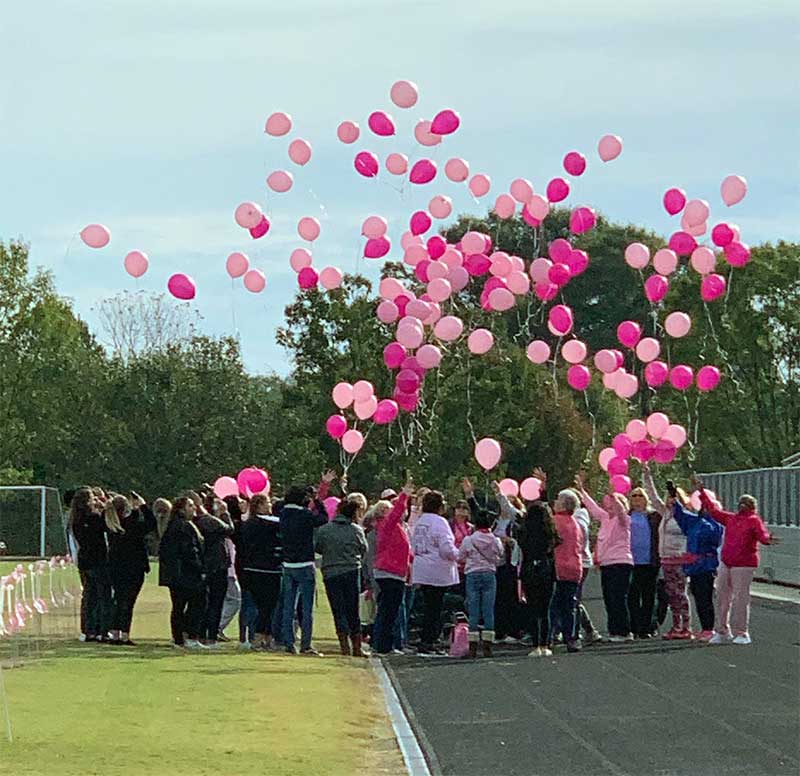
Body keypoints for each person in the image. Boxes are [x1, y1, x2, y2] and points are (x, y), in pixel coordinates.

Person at [695, 479, 778, 645]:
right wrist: (702, 492)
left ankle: (742, 631)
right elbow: (713, 510)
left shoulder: (754, 520)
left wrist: (769, 540)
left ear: (752, 506)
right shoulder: (731, 519)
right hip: (727, 561)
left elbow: (762, 536)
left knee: (741, 598)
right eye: (741, 502)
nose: (742, 505)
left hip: (744, 563)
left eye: (746, 503)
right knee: (722, 597)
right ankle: (722, 630)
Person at [279, 471, 334, 655]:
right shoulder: (304, 515)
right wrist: (318, 500)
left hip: (288, 564)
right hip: (304, 563)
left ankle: (288, 642)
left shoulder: (284, 513)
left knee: (289, 606)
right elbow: (323, 518)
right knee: (307, 607)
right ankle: (306, 644)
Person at [575, 474, 633, 642]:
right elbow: (593, 508)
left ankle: (624, 631)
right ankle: (614, 630)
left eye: (612, 505)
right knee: (609, 597)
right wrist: (582, 491)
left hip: (621, 562)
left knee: (618, 597)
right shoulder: (605, 519)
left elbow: (621, 511)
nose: (609, 508)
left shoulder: (624, 520)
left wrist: (614, 495)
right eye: (607, 505)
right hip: (607, 563)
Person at [642, 465, 691, 639]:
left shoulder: (685, 517)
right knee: (671, 594)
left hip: (679, 558)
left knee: (680, 592)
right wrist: (646, 476)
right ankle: (676, 625)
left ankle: (686, 626)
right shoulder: (665, 514)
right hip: (666, 559)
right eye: (669, 498)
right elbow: (654, 499)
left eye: (674, 498)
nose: (670, 501)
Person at [315, 500, 369, 656]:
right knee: (352, 609)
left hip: (331, 572)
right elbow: (363, 548)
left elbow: (318, 547)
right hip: (351, 570)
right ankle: (357, 647)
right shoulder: (356, 530)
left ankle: (344, 645)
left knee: (338, 609)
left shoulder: (325, 530)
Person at [410, 490, 459, 654]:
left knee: (428, 606)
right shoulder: (440, 522)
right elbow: (446, 548)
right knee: (435, 607)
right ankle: (430, 640)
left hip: (421, 567)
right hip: (437, 569)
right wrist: (458, 555)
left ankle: (426, 639)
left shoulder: (420, 521)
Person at [107, 492, 157, 645]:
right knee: (128, 602)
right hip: (134, 568)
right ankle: (124, 634)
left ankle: (114, 633)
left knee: (118, 599)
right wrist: (141, 506)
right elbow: (151, 524)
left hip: (116, 566)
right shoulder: (132, 524)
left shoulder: (110, 525)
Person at [670, 497, 723, 641]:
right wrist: (675, 500)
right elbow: (681, 515)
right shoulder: (695, 521)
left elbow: (713, 538)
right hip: (695, 566)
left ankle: (708, 628)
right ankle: (705, 627)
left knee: (705, 597)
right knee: (699, 597)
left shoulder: (714, 524)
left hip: (706, 565)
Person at [158, 497, 206, 649]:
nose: (194, 509)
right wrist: (201, 568)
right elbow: (190, 551)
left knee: (178, 606)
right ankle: (190, 637)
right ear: (181, 509)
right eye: (190, 506)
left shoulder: (172, 525)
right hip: (187, 574)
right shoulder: (184, 526)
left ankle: (179, 638)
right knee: (196, 604)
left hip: (175, 574)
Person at [238, 493, 283, 650]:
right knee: (268, 606)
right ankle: (259, 637)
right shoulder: (269, 524)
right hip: (268, 569)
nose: (270, 506)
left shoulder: (247, 524)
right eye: (267, 503)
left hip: (251, 569)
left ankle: (265, 636)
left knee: (261, 606)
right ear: (259, 506)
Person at [457, 509, 504, 657]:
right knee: (488, 610)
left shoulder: (469, 540)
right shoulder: (495, 540)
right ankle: (488, 645)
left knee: (473, 611)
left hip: (472, 574)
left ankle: (472, 646)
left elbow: (460, 556)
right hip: (489, 574)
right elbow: (501, 554)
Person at [372, 485, 412, 655]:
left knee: (388, 610)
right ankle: (383, 645)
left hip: (395, 571)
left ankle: (383, 643)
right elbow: (395, 514)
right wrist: (404, 497)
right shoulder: (386, 525)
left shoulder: (393, 528)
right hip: (390, 571)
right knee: (388, 611)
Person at [70, 487, 112, 642]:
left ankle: (88, 630)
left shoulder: (76, 519)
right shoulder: (94, 517)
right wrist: (105, 508)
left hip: (85, 561)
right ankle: (102, 630)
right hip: (98, 560)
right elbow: (107, 528)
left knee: (89, 597)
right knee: (103, 596)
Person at [517, 499, 558, 657]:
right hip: (546, 569)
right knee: (545, 610)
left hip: (529, 570)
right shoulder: (549, 532)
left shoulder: (524, 533)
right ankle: (545, 644)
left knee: (532, 609)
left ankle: (535, 645)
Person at [193, 496, 234, 647]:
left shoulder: (198, 521)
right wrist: (225, 514)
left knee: (206, 602)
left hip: (207, 565)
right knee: (215, 603)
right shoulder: (207, 521)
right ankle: (210, 636)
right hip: (216, 565)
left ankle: (202, 634)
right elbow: (228, 529)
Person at [550, 490, 584, 653]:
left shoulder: (554, 521)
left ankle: (549, 636)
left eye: (557, 500)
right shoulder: (575, 524)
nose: (554, 502)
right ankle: (570, 638)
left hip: (557, 567)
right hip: (574, 567)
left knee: (553, 604)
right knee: (570, 605)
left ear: (563, 504)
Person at [626, 487, 662, 638]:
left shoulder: (653, 516)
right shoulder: (626, 515)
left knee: (649, 596)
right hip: (630, 561)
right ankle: (634, 626)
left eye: (640, 495)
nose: (637, 498)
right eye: (634, 495)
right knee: (632, 595)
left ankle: (647, 627)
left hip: (650, 560)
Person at [571, 493, 601, 644]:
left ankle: (577, 632)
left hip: (580, 561)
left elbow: (579, 540)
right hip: (575, 560)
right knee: (573, 598)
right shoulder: (574, 518)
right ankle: (588, 629)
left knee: (573, 598)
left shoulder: (579, 518)